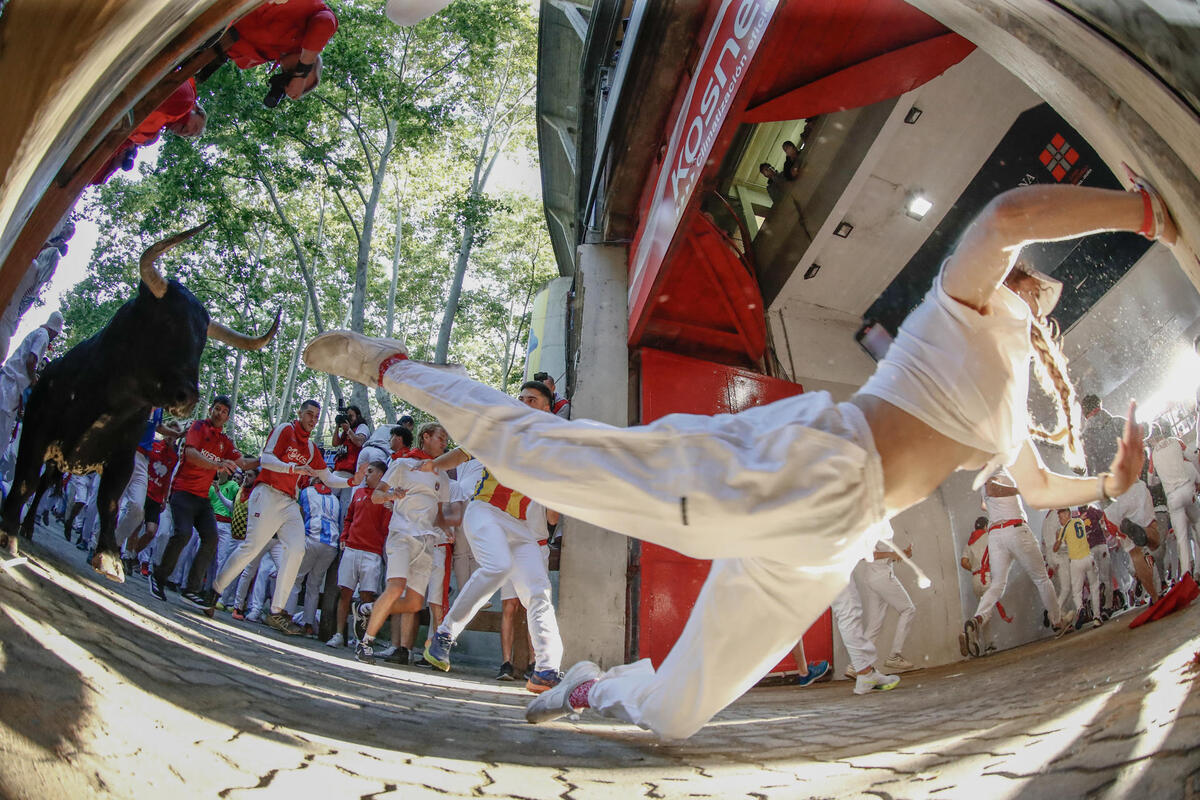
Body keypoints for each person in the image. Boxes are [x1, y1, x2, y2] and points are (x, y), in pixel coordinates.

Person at [305, 177, 1170, 740]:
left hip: (831, 540)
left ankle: (585, 688)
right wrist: (1147, 213)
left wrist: (1111, 482)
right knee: (565, 462)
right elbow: (1011, 216)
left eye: (1033, 285)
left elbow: (1039, 484)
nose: (1026, 281)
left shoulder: (1011, 400)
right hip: (809, 463)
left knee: (678, 715)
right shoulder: (961, 305)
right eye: (1026, 278)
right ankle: (391, 364)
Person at [418, 382, 566, 694]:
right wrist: (433, 464)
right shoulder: (498, 430)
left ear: (546, 407)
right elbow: (459, 455)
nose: (523, 402)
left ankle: (547, 669)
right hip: (484, 512)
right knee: (497, 567)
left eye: (532, 399)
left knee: (539, 592)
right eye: (521, 397)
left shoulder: (552, 447)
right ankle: (444, 635)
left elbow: (555, 506)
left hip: (522, 529)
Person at [207, 400, 351, 634]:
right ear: (300, 413)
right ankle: (214, 591)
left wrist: (354, 481)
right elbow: (267, 459)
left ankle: (276, 611)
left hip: (289, 501)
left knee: (297, 550)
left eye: (316, 416)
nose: (313, 420)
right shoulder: (286, 429)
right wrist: (293, 469)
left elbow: (329, 477)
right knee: (251, 548)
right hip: (267, 493)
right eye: (309, 414)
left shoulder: (312, 449)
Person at [354, 422, 452, 663]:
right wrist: (390, 495)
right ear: (425, 437)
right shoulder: (402, 464)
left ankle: (367, 610)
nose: (445, 443)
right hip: (402, 535)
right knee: (396, 587)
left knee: (414, 602)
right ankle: (366, 643)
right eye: (441, 437)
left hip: (427, 543)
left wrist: (449, 530)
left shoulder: (444, 475)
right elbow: (377, 496)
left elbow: (443, 514)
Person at [150, 396, 257, 604]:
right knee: (183, 534)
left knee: (211, 538)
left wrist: (266, 461)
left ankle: (192, 589)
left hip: (202, 499)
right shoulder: (198, 427)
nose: (220, 413)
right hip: (182, 492)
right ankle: (159, 577)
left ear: (227, 417)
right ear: (211, 410)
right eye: (217, 409)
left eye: (224, 411)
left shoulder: (224, 441)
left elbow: (242, 462)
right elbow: (190, 454)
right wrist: (216, 465)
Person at [964, 473, 1071, 652]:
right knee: (1041, 579)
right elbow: (992, 489)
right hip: (1015, 529)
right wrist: (1020, 490)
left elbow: (985, 503)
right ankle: (1057, 621)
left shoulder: (984, 479)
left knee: (997, 585)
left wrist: (994, 504)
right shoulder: (998, 469)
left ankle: (977, 620)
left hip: (996, 534)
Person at [90, 78, 206, 185]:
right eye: (195, 127)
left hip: (104, 130)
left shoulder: (154, 130)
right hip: (114, 101)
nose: (187, 132)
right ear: (195, 109)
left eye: (188, 136)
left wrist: (115, 165)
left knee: (97, 174)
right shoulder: (186, 100)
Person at [221, 0, 337, 106]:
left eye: (290, 78)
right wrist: (301, 73)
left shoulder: (256, 59)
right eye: (299, 72)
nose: (294, 75)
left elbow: (220, 47)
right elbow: (326, 22)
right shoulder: (312, 21)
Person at [327, 460, 390, 648]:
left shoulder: (386, 498)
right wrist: (344, 536)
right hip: (352, 549)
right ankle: (339, 634)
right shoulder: (358, 493)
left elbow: (386, 528)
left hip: (372, 553)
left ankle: (363, 637)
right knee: (345, 592)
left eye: (370, 471)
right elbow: (349, 518)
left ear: (381, 475)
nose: (366, 474)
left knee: (366, 597)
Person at [0, 312, 61, 455]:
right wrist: (34, 381)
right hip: (10, 388)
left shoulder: (37, 333)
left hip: (8, 384)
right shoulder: (44, 336)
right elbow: (30, 362)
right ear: (54, 331)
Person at [858, 537, 918, 672]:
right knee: (908, 609)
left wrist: (900, 555)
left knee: (874, 624)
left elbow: (879, 556)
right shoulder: (873, 527)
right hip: (882, 577)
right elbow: (867, 555)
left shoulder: (879, 526)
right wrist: (892, 554)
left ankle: (857, 664)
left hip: (874, 578)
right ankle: (894, 656)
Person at [1148, 427, 1200, 577]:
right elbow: (1191, 456)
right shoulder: (1176, 441)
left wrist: (1162, 479)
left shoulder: (1153, 455)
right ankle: (1197, 568)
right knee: (1197, 523)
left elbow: (1150, 480)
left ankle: (1186, 573)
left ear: (1152, 439)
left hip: (1173, 496)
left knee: (1182, 538)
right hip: (1187, 488)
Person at [294, 476, 342, 636]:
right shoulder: (335, 499)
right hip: (331, 544)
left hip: (312, 537)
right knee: (314, 584)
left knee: (297, 579)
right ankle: (308, 624)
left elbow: (299, 515)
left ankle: (285, 615)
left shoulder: (306, 492)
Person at [1054, 509, 1102, 628]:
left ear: (1067, 515)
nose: (1060, 520)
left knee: (1076, 592)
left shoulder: (1064, 529)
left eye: (1061, 517)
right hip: (1088, 557)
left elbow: (1055, 548)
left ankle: (1080, 609)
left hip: (1076, 562)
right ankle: (1097, 617)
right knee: (1094, 587)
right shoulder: (1079, 521)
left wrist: (1057, 540)